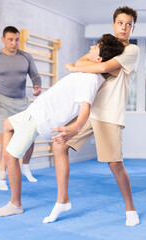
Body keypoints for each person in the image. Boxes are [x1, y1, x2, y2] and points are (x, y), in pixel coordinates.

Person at [0, 34, 125, 217]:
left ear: (99, 59)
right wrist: (78, 66)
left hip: (41, 117)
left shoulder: (91, 79)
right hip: (35, 110)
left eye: (96, 47)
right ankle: (1, 170)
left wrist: (75, 128)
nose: (91, 48)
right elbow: (86, 61)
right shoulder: (89, 71)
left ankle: (15, 203)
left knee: (10, 155)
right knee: (7, 125)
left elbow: (85, 108)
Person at [43, 6, 140, 227]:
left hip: (110, 114)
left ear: (132, 27)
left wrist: (84, 67)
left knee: (115, 164)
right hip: (89, 110)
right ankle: (62, 200)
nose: (124, 27)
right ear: (114, 25)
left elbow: (101, 65)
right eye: (120, 23)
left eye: (128, 24)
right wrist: (85, 66)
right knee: (59, 144)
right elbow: (81, 62)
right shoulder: (107, 45)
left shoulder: (132, 51)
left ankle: (130, 207)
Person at [0, 26, 41, 190]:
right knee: (4, 140)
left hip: (22, 102)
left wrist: (37, 86)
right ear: (3, 39)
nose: (14, 43)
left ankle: (25, 167)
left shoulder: (26, 57)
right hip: (2, 102)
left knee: (30, 136)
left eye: (17, 39)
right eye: (10, 39)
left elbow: (35, 75)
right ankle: (1, 177)